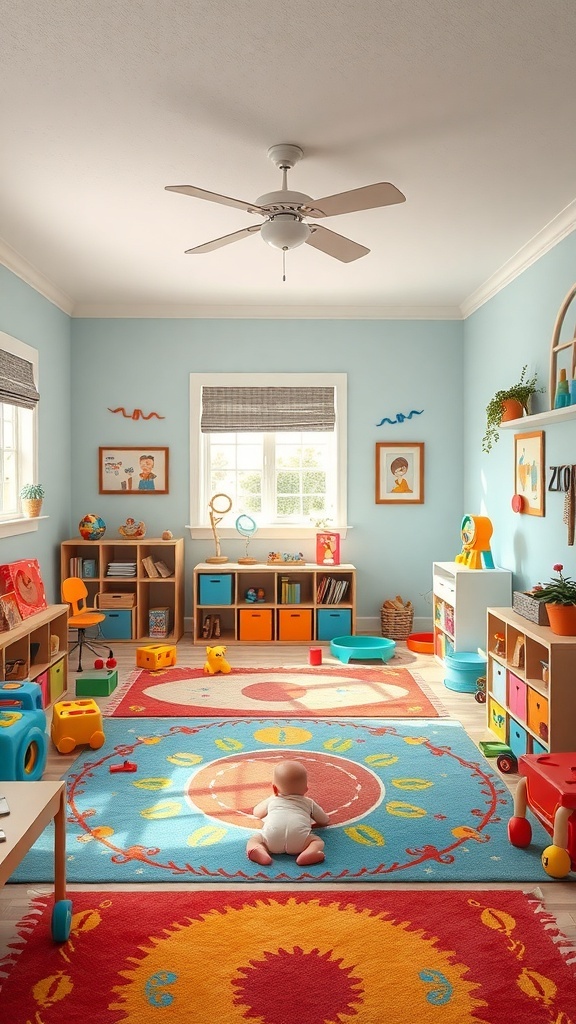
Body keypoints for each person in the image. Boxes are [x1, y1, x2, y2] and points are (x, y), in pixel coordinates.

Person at [246, 760, 329, 866]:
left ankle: (258, 849)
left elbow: (256, 813)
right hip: (299, 841)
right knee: (317, 841)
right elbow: (324, 820)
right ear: (306, 789)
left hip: (272, 838)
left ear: (274, 788)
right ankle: (308, 853)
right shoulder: (309, 803)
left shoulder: (272, 800)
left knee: (256, 839)